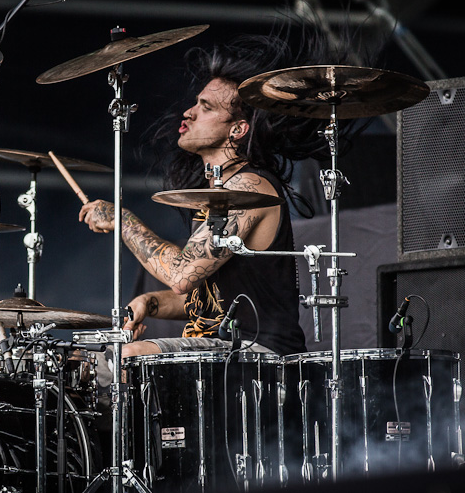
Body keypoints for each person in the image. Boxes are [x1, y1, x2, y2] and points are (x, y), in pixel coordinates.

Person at [78, 19, 341, 359]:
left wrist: (122, 219)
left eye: (206, 107)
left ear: (238, 129)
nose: (188, 112)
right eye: (196, 102)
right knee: (83, 361)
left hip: (258, 353)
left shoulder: (249, 187)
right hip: (222, 348)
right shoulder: (216, 189)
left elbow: (182, 274)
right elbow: (207, 298)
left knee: (128, 357)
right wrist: (150, 301)